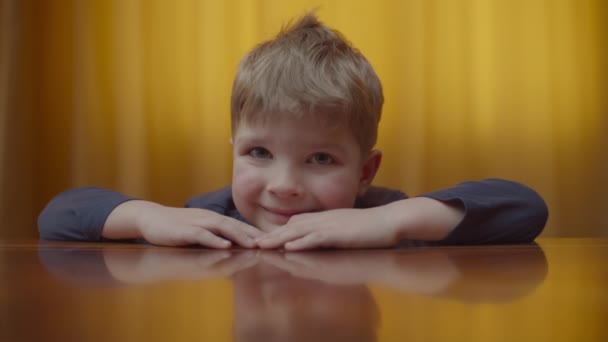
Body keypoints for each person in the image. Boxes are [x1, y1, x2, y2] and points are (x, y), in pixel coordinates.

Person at [38, 13, 548, 250]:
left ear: (366, 171)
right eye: (259, 152)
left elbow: (525, 207)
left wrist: (395, 222)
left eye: (321, 159)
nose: (284, 184)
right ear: (234, 151)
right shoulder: (208, 220)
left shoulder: (382, 219)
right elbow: (59, 215)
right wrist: (147, 217)